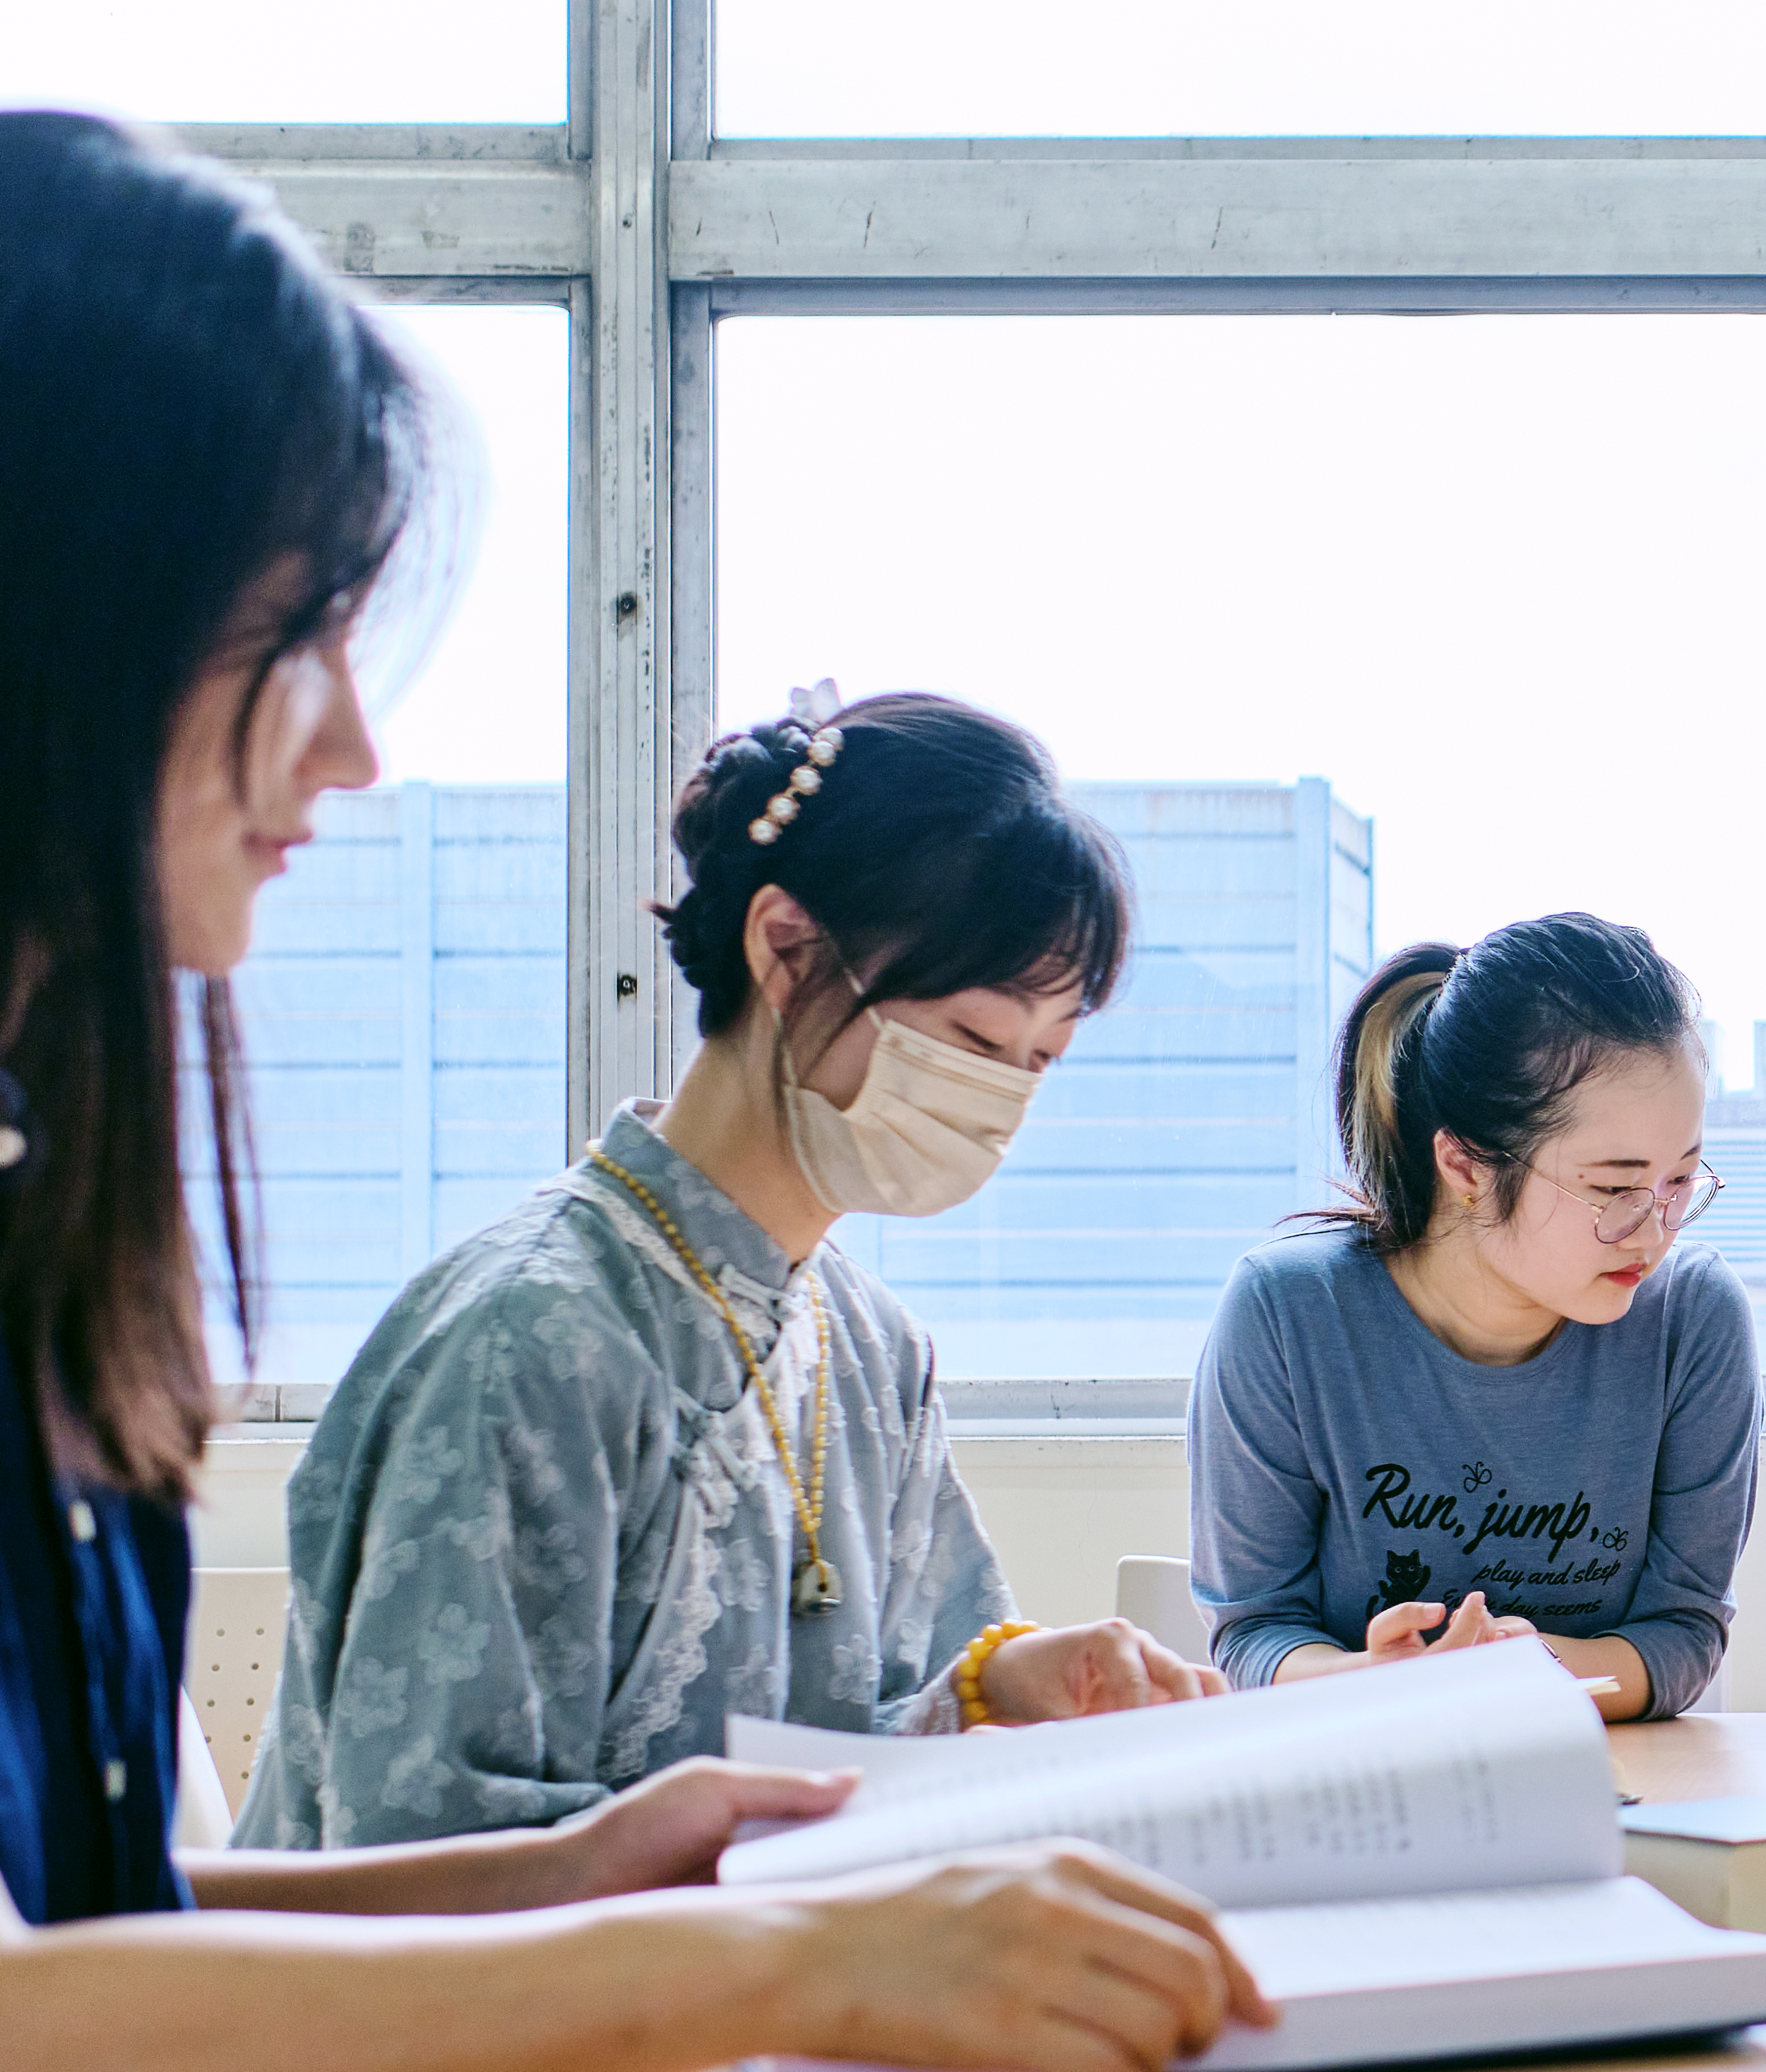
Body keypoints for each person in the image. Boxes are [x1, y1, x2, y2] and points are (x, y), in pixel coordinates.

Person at [0, 111, 1262, 2072]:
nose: (357, 743)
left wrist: (625, 1864)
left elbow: (97, 1925)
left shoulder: (859, 1339)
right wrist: (770, 1963)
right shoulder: (526, 1343)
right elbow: (32, 2037)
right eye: (289, 637)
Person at [240, 685, 1215, 1850]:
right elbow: (426, 1850)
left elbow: (871, 1719)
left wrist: (999, 1687)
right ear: (786, 948)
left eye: (1040, 1062)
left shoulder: (869, 1345)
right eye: (972, 1040)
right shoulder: (530, 1344)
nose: (1001, 1100)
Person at [1189, 921, 1758, 1719]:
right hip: (1360, 1778)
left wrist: (1527, 1668)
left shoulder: (1692, 1318)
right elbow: (1255, 1634)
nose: (1656, 1228)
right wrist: (1382, 1684)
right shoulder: (1288, 1315)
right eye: (1611, 1188)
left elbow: (1684, 1633)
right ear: (1464, 1165)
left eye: (1682, 1179)